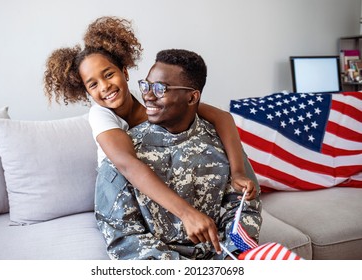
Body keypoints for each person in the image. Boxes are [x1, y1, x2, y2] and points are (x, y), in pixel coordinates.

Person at [43, 16, 257, 254]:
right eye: (92, 85)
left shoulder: (148, 96)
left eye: (108, 74)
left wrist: (237, 172)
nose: (104, 87)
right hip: (123, 189)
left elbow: (222, 117)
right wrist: (187, 213)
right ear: (85, 91)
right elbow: (128, 165)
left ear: (125, 72)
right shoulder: (101, 116)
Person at [95, 48, 262, 260]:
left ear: (192, 98)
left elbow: (244, 210)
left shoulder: (222, 143)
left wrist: (232, 257)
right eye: (146, 85)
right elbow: (122, 235)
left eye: (160, 88)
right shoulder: (123, 151)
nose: (147, 95)